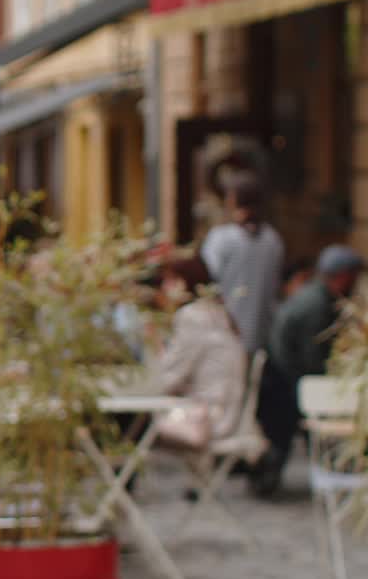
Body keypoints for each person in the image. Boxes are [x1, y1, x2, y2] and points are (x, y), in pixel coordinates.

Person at [252, 245, 364, 497]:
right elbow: (310, 356)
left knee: (283, 435)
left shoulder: (317, 296)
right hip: (283, 379)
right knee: (284, 434)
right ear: (343, 275)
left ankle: (268, 479)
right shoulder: (317, 303)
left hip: (284, 375)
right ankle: (266, 479)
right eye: (354, 275)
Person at [148, 256, 247, 452]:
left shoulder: (192, 316)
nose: (165, 288)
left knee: (138, 422)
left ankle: (121, 476)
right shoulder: (218, 312)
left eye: (170, 280)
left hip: (205, 419)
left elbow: (169, 376)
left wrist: (154, 343)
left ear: (185, 282)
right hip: (232, 414)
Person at [200, 176, 285, 354]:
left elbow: (206, 282)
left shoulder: (222, 238)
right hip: (261, 335)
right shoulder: (272, 239)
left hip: (224, 335)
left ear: (233, 201)